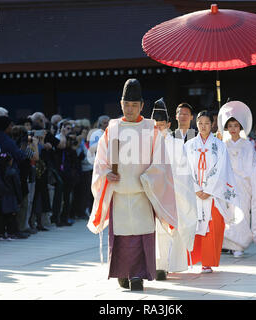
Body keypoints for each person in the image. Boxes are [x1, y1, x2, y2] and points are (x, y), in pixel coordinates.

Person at [88, 78, 177, 291]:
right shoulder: (113, 128)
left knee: (140, 236)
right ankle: (121, 272)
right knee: (121, 236)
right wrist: (107, 172)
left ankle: (137, 275)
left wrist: (148, 179)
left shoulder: (151, 128)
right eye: (126, 105)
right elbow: (101, 160)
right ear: (121, 104)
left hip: (143, 193)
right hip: (119, 193)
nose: (130, 109)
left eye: (134, 105)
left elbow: (161, 163)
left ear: (142, 106)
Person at [185, 110, 240, 272]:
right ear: (196, 124)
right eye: (200, 123)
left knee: (212, 225)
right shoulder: (188, 145)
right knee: (194, 225)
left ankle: (207, 261)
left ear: (212, 124)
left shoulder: (219, 145)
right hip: (194, 193)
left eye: (206, 123)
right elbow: (185, 168)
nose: (203, 126)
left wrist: (208, 189)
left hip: (213, 194)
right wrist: (196, 188)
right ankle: (193, 258)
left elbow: (223, 169)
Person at [151, 98, 197, 280]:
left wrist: (172, 185)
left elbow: (184, 172)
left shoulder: (177, 144)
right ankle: (160, 266)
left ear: (169, 124)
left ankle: (173, 263)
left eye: (162, 125)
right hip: (155, 193)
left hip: (175, 191)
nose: (159, 128)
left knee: (174, 230)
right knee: (158, 231)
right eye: (155, 125)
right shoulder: (148, 143)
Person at [217, 101, 256, 257]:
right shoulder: (222, 145)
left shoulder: (247, 145)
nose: (233, 129)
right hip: (227, 185)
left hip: (243, 185)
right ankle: (228, 244)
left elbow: (253, 164)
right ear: (226, 128)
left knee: (242, 214)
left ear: (241, 127)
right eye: (230, 126)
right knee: (229, 215)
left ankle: (239, 246)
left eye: (236, 126)